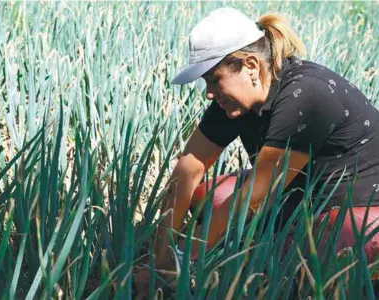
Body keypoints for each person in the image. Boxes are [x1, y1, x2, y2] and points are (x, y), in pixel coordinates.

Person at [134, 7, 379, 296]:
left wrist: (182, 259)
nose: (209, 93)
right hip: (300, 196)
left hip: (356, 205)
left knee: (294, 263)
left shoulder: (308, 96)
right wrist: (160, 256)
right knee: (206, 197)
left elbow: (258, 193)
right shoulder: (234, 100)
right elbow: (189, 168)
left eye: (214, 78)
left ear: (250, 66)